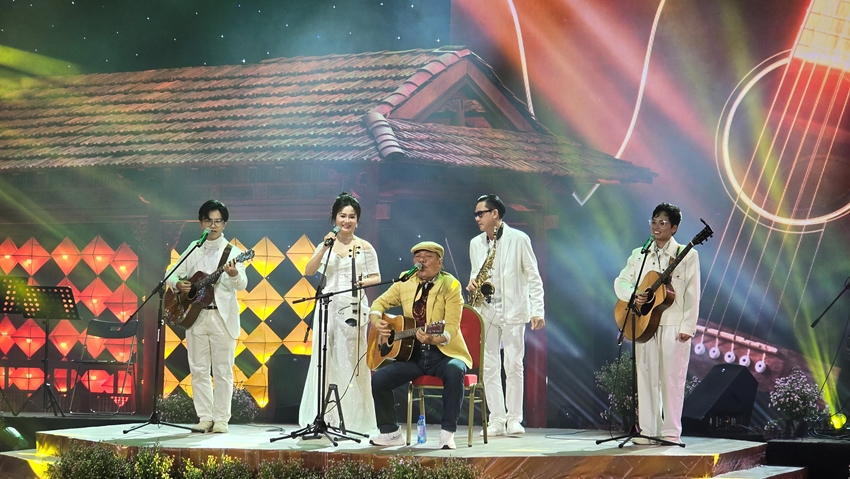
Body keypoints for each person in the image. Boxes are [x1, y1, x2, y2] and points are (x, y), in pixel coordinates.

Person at [368, 241, 472, 450]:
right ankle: (390, 433)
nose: (421, 260)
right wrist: (376, 319)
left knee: (454, 371)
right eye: (417, 256)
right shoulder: (405, 280)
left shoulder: (450, 284)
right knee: (380, 378)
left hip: (444, 353)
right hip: (413, 355)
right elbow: (379, 302)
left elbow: (452, 326)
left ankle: (447, 434)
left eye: (427, 256)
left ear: (439, 262)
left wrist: (435, 339)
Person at [614, 202, 700, 445]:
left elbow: (693, 292)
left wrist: (688, 326)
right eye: (654, 221)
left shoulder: (687, 254)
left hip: (673, 324)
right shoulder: (639, 254)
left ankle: (671, 432)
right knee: (646, 376)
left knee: (671, 379)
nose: (656, 226)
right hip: (643, 324)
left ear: (674, 228)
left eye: (663, 222)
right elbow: (621, 281)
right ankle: (648, 431)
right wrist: (634, 294)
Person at [299, 192, 380, 435]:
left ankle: (352, 419)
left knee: (350, 359)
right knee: (325, 359)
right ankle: (325, 417)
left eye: (351, 217)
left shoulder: (365, 247)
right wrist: (324, 247)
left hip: (352, 305)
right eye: (342, 216)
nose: (346, 221)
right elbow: (309, 270)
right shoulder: (326, 244)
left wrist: (361, 282)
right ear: (334, 218)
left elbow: (376, 276)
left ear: (358, 220)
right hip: (328, 305)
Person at [166, 199, 248, 434]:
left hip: (222, 317)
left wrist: (233, 274)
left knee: (223, 370)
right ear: (201, 223)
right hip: (195, 315)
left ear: (224, 224)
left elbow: (242, 284)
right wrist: (178, 283)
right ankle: (204, 417)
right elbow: (171, 273)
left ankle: (221, 419)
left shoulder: (234, 252)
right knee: (199, 369)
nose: (213, 226)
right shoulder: (194, 247)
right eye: (208, 221)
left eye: (218, 221)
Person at [467, 194, 545, 436]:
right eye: (476, 214)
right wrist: (472, 283)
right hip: (486, 310)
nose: (477, 218)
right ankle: (496, 419)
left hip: (513, 309)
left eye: (480, 213)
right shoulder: (475, 243)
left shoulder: (519, 239)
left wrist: (537, 310)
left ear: (495, 214)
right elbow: (475, 273)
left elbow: (534, 277)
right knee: (489, 366)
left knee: (513, 364)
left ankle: (514, 418)